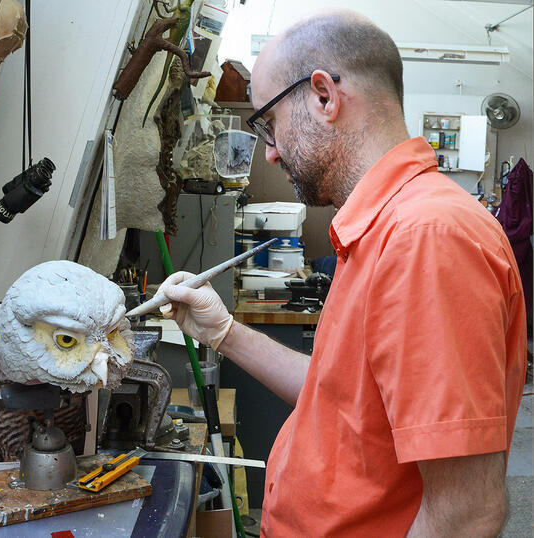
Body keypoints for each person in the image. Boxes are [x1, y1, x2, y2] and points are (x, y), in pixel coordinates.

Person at [158, 9, 527, 537]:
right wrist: (222, 332)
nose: (270, 150)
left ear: (324, 96)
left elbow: (465, 515)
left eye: (268, 123)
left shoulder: (425, 237)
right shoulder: (380, 229)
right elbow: (345, 398)